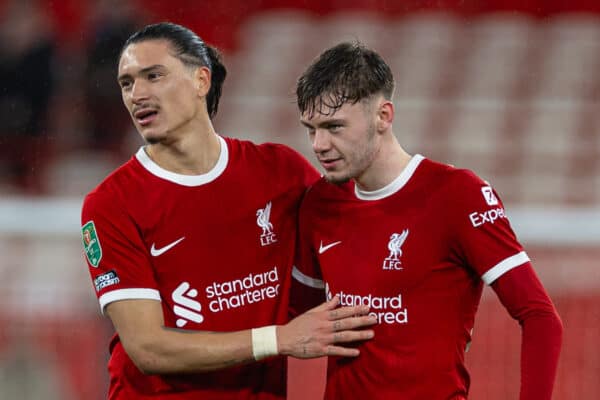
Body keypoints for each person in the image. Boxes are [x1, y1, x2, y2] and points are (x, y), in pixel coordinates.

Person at [80, 23, 376, 400]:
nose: (138, 94)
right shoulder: (111, 203)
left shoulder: (279, 171)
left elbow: (363, 230)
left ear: (201, 80)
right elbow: (148, 348)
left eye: (153, 76)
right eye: (126, 83)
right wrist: (278, 339)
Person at [291, 41, 563, 400]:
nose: (319, 144)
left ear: (383, 116)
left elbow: (541, 318)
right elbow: (296, 314)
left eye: (334, 126)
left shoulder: (456, 194)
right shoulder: (319, 203)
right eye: (311, 129)